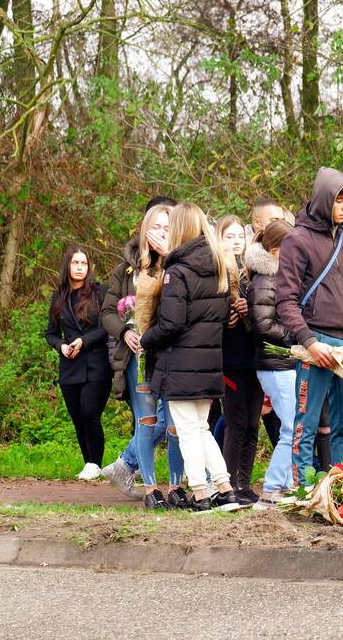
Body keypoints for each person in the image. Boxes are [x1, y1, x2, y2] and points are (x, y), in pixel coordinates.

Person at [141, 203, 239, 511]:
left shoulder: (177, 271)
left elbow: (171, 323)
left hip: (181, 363)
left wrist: (147, 339)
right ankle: (224, 487)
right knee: (201, 427)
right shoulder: (218, 266)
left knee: (186, 430)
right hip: (208, 360)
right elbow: (222, 318)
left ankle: (200, 493)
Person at [276, 168, 343, 481]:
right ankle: (303, 488)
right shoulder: (296, 240)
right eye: (339, 200)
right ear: (323, 199)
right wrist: (309, 342)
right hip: (316, 341)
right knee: (307, 423)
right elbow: (285, 301)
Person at [100, 202, 187, 508]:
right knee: (147, 422)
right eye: (155, 227)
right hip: (139, 357)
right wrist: (125, 331)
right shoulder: (126, 271)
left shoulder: (181, 265)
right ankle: (151, 490)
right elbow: (107, 312)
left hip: (173, 356)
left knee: (176, 423)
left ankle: (177, 487)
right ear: (144, 230)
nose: (161, 233)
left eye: (167, 227)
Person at [45, 246, 113, 480]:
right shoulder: (59, 296)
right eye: (75, 263)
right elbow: (51, 333)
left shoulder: (100, 292)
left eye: (84, 263)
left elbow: (107, 327)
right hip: (69, 365)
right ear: (68, 266)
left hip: (97, 363)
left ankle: (95, 463)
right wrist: (60, 346)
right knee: (77, 417)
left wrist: (83, 341)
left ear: (89, 267)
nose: (80, 267)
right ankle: (88, 463)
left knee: (89, 413)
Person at [246, 220, 299, 505]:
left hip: (284, 362)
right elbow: (264, 325)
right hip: (274, 362)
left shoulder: (282, 277)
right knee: (291, 427)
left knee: (293, 425)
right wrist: (299, 337)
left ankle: (287, 484)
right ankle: (272, 486)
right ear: (278, 250)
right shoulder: (265, 280)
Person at [216, 214, 263, 504]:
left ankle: (244, 483)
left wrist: (252, 309)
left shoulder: (251, 274)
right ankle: (228, 484)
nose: (235, 242)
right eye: (229, 236)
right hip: (228, 361)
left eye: (239, 236)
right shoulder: (216, 274)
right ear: (219, 239)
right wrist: (227, 316)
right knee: (237, 422)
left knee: (253, 424)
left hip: (254, 358)